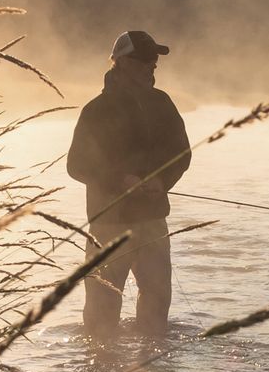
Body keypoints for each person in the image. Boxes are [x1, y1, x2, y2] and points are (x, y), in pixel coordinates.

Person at [66, 30, 191, 340]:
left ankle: (153, 365)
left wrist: (162, 180)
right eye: (144, 60)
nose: (152, 66)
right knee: (102, 306)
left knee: (157, 300)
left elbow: (181, 153)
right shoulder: (96, 110)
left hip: (152, 219)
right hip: (108, 222)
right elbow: (76, 164)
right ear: (120, 62)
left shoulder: (162, 103)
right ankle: (101, 371)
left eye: (154, 61)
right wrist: (121, 181)